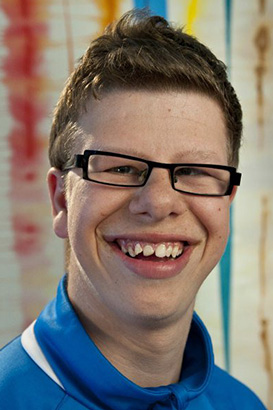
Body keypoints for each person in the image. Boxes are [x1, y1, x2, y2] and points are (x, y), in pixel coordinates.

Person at [0, 9, 267, 410]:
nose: (158, 203)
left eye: (194, 170)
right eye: (121, 168)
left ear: (226, 201)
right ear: (61, 200)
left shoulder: (243, 404)